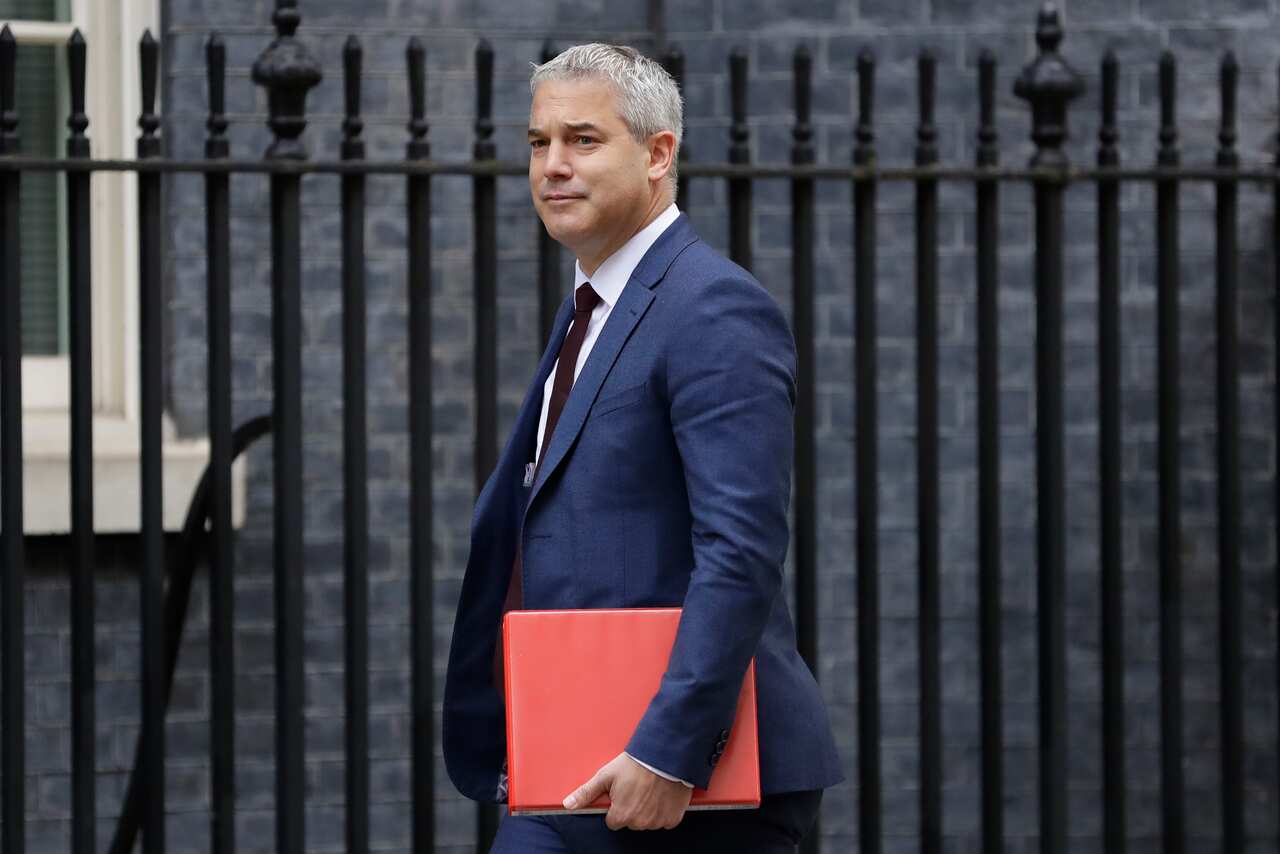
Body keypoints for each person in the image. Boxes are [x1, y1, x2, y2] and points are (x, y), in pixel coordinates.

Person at [442, 43, 843, 853]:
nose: (552, 165)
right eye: (537, 142)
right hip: (575, 763)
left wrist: (671, 750)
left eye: (583, 140)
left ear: (659, 154)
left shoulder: (714, 309)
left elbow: (741, 548)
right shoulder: (593, 304)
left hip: (689, 789)